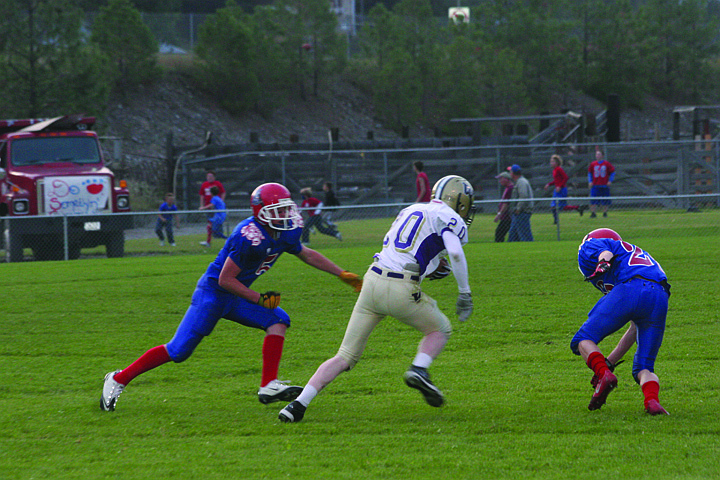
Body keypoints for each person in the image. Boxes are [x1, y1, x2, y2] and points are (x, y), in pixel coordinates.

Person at [101, 182, 363, 412]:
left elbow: (305, 253)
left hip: (236, 295)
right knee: (179, 351)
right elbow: (225, 279)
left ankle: (268, 385)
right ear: (261, 212)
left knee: (278, 320)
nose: (285, 215)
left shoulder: (285, 231)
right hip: (213, 295)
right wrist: (259, 298)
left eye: (286, 208)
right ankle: (118, 378)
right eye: (278, 210)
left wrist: (341, 273)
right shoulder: (248, 236)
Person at [278, 175, 476, 423]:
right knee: (440, 330)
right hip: (401, 287)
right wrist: (465, 293)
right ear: (460, 201)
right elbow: (456, 253)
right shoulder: (450, 218)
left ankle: (297, 405)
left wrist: (432, 264)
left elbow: (403, 248)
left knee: (344, 356)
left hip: (371, 281)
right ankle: (419, 369)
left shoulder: (412, 208)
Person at [571, 228, 670, 415]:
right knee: (644, 367)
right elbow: (634, 328)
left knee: (582, 339)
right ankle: (652, 402)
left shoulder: (593, 244)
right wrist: (609, 362)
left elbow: (605, 253)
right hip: (660, 296)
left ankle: (602, 375)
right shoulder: (636, 253)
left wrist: (603, 263)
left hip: (631, 286)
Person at [544, 154, 586, 223]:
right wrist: (549, 184)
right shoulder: (554, 170)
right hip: (557, 190)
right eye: (551, 162)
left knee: (560, 206)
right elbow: (556, 180)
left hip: (562, 190)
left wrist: (560, 186)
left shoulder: (559, 169)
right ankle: (577, 208)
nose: (551, 163)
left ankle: (556, 220)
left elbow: (565, 177)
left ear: (557, 163)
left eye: (553, 162)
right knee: (554, 206)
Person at [507, 164, 534, 242]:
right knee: (513, 235)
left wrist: (518, 208)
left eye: (510, 171)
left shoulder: (521, 182)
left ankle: (529, 248)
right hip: (518, 213)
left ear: (513, 173)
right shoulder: (519, 181)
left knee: (525, 235)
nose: (509, 173)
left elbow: (524, 196)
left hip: (522, 212)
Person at [588, 147, 615, 218]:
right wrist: (590, 181)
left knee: (605, 200)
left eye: (599, 154)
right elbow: (590, 173)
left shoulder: (606, 164)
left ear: (602, 155)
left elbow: (612, 172)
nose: (597, 156)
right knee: (593, 200)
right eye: (596, 154)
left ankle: (605, 213)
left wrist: (610, 181)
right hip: (595, 185)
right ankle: (593, 213)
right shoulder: (593, 164)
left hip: (604, 185)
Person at [493, 171, 513, 242]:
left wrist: (499, 214)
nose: (500, 181)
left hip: (507, 216)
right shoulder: (507, 188)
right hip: (505, 216)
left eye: (501, 179)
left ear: (506, 179)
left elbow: (506, 203)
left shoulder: (510, 188)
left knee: (499, 233)